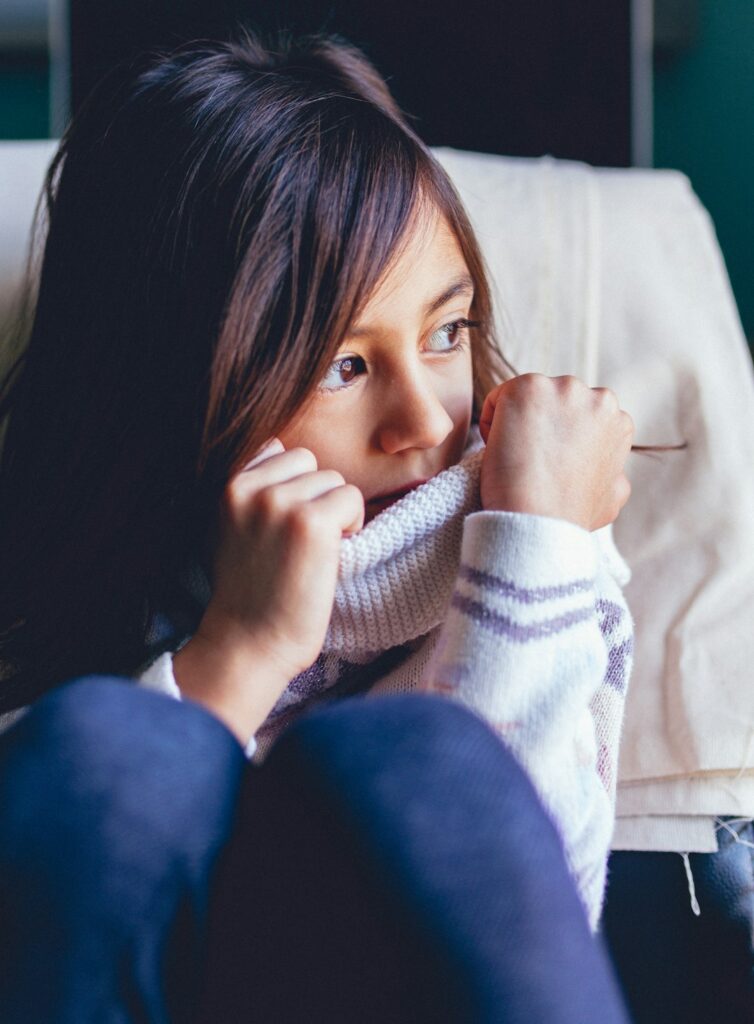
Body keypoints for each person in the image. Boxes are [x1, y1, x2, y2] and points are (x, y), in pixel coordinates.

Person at [0, 30, 634, 1022]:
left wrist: (537, 549)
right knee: (105, 746)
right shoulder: (52, 630)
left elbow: (543, 903)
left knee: (411, 756)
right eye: (343, 366)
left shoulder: (522, 541)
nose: (428, 419)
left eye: (444, 333)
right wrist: (240, 653)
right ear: (168, 390)